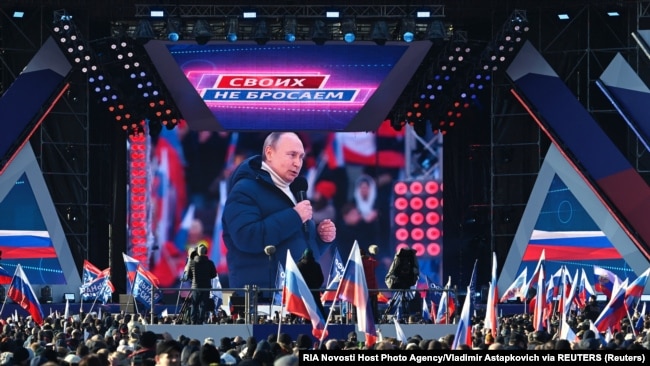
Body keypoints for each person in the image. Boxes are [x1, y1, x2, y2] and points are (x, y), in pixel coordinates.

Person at [221, 132, 336, 291]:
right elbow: (247, 237)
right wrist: (295, 216)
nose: (298, 163)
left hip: (300, 294)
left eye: (301, 157)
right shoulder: (244, 190)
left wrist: (320, 239)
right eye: (292, 155)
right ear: (269, 153)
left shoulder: (294, 191)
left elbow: (296, 246)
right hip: (262, 299)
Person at [187, 244, 217, 324]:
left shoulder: (192, 262)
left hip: (195, 287)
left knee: (194, 304)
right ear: (206, 252)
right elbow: (214, 275)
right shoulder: (210, 263)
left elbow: (189, 275)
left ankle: (193, 321)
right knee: (203, 305)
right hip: (206, 287)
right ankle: (200, 321)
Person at [296, 248, 326, 319]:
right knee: (318, 307)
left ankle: (293, 321)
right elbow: (321, 279)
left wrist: (301, 287)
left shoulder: (298, 266)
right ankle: (324, 321)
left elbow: (296, 279)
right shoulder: (316, 265)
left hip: (302, 291)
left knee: (299, 306)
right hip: (314, 291)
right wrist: (316, 286)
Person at [361, 245, 379, 322]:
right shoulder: (370, 262)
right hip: (373, 288)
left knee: (363, 307)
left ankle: (363, 320)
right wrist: (371, 256)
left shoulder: (359, 263)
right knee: (373, 307)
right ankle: (374, 320)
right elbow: (376, 263)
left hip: (362, 288)